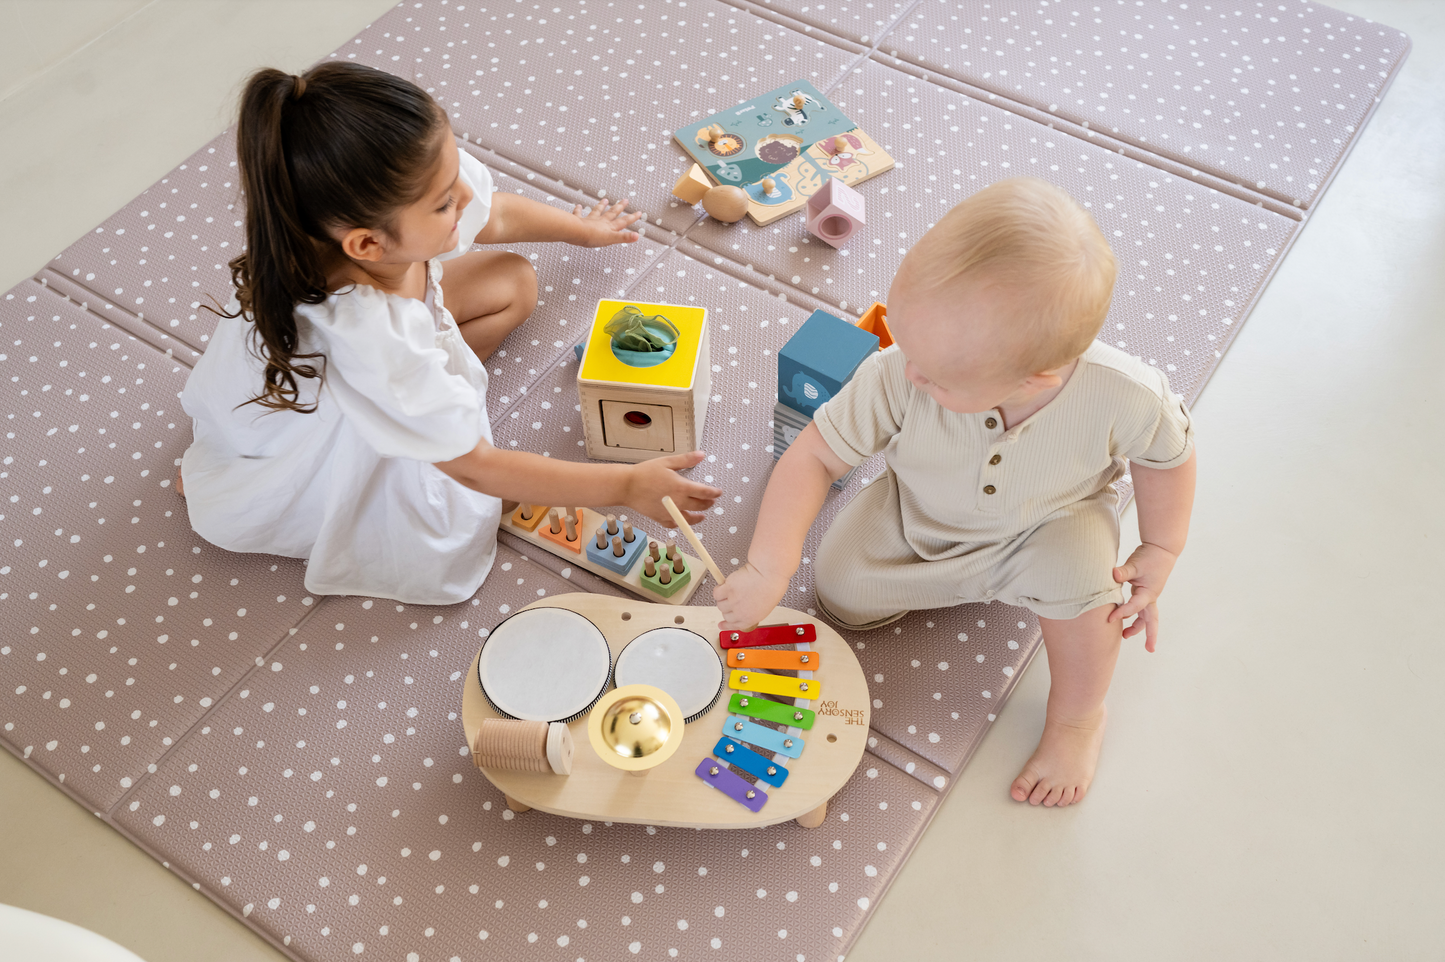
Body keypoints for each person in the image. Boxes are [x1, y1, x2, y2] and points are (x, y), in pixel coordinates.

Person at [715, 178, 1196, 807]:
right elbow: (814, 456)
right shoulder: (901, 369)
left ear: (1036, 377)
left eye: (936, 376)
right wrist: (767, 566)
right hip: (915, 512)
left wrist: (1161, 548)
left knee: (1090, 594)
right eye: (906, 344)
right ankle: (953, 586)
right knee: (836, 587)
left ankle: (1078, 719)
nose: (910, 371)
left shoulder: (1126, 393)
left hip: (1049, 527)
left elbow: (1170, 458)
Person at [179, 63, 719, 605]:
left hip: (374, 361)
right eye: (443, 203)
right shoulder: (372, 338)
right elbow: (478, 471)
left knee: (515, 281)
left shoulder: (383, 221)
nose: (464, 193)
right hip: (327, 411)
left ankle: (423, 410)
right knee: (443, 525)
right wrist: (625, 486)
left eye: (455, 171)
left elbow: (495, 214)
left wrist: (584, 231)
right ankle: (246, 484)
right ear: (367, 245)